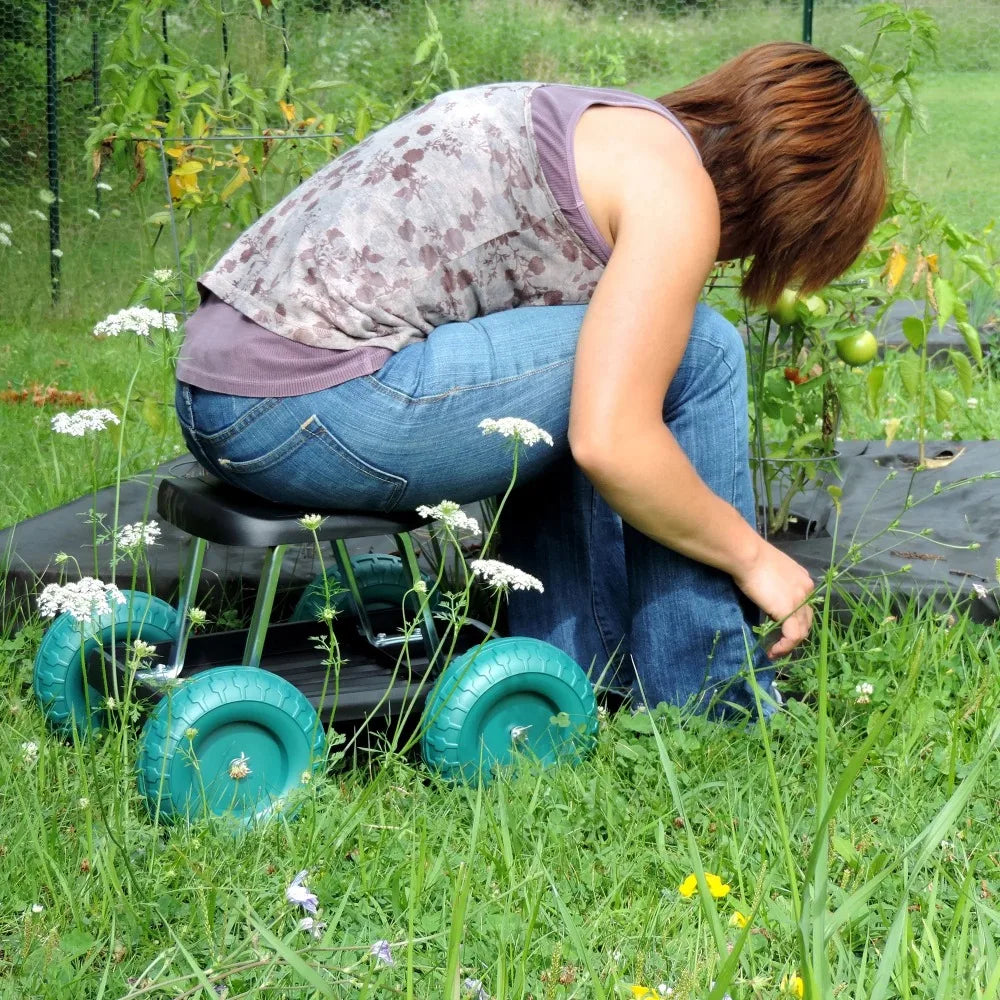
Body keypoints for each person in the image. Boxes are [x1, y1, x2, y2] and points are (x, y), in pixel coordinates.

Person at [173, 42, 887, 714]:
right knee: (699, 349)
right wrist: (755, 557)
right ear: (795, 202)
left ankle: (571, 672)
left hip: (221, 396)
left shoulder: (609, 129)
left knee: (610, 359)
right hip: (315, 406)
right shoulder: (676, 194)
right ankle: (706, 699)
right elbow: (611, 444)